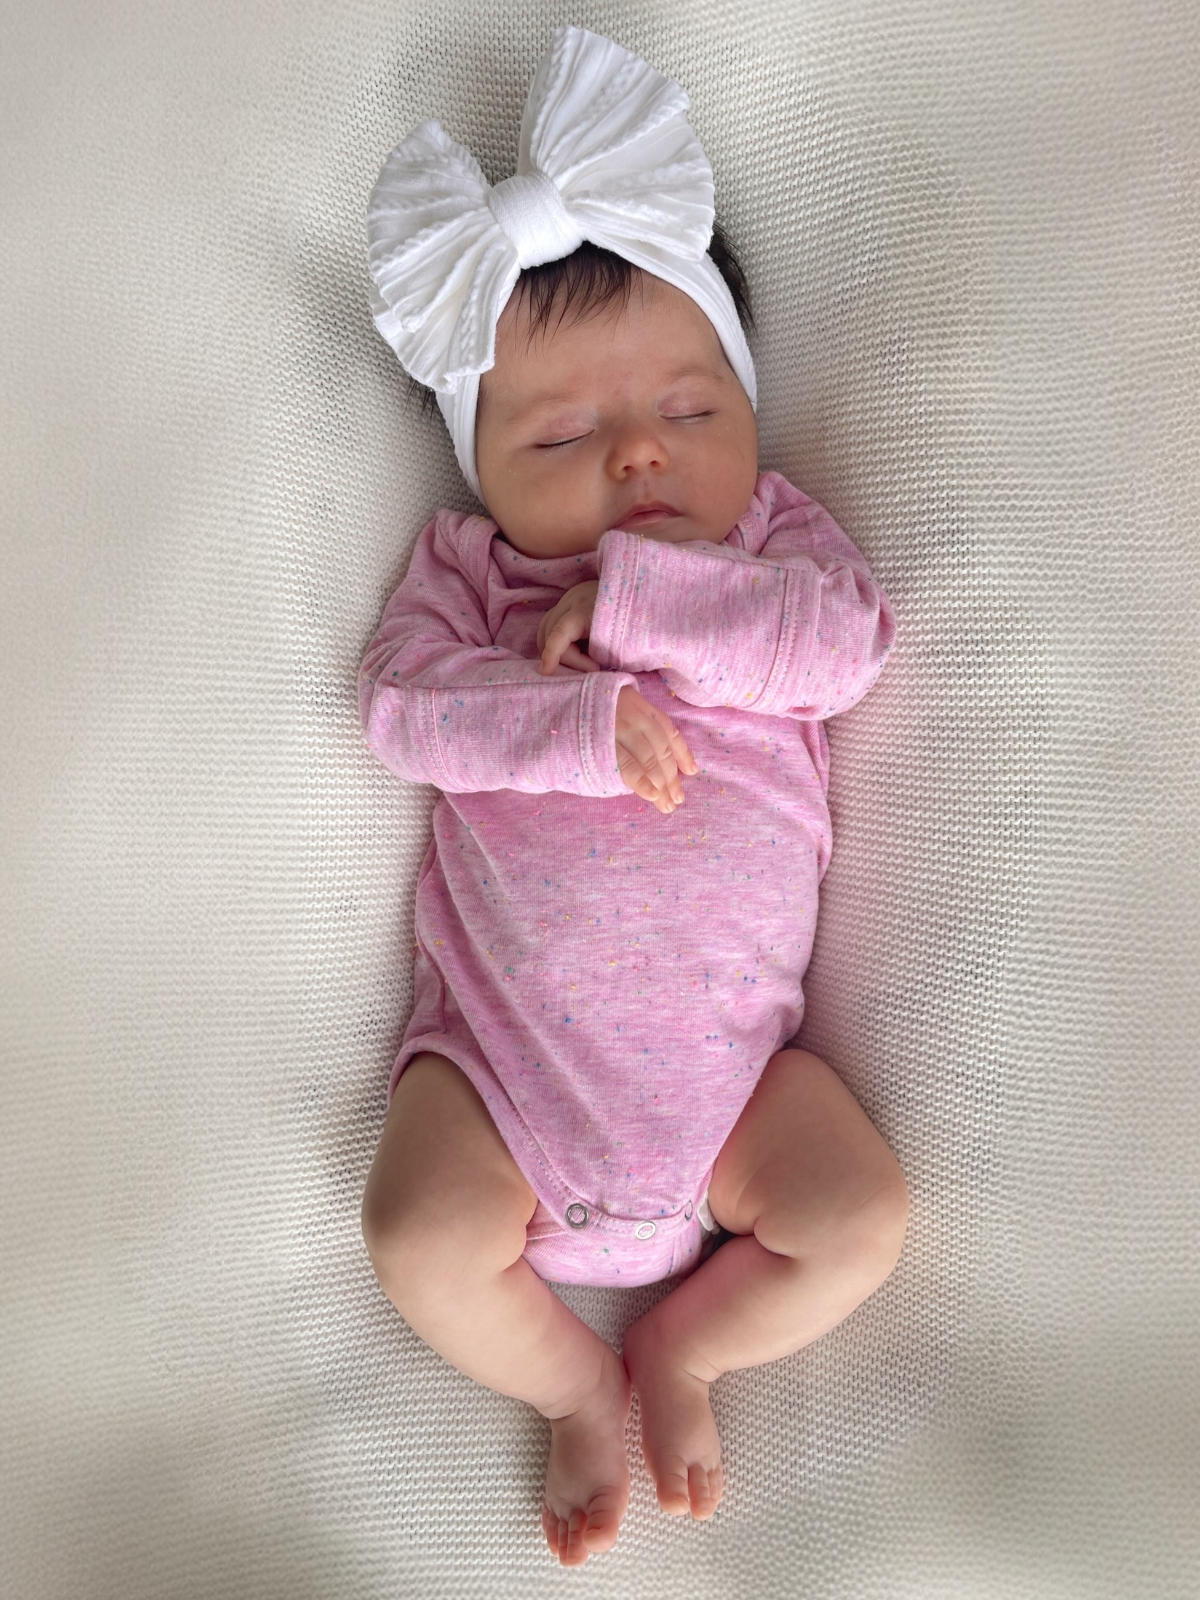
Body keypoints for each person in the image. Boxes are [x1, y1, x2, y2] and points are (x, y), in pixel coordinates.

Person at [357, 24, 908, 1568]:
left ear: (747, 402)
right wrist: (568, 721)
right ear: (478, 464)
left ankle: (689, 1349)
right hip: (501, 1088)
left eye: (690, 404)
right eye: (563, 433)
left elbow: (846, 649)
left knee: (859, 1215)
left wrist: (649, 612)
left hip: (744, 1096)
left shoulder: (774, 557)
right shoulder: (467, 580)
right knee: (417, 1235)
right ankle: (572, 1387)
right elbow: (400, 713)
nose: (638, 458)